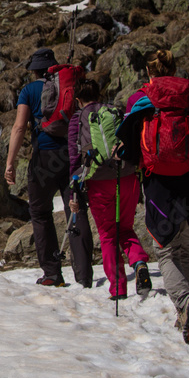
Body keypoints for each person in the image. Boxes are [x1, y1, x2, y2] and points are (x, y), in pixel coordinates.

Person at [116, 50, 189, 344]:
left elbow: (128, 143)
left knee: (166, 252)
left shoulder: (142, 100)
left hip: (159, 186)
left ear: (149, 73)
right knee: (183, 250)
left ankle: (184, 303)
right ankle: (187, 311)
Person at [5, 48, 93, 288]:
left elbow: (19, 127)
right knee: (76, 210)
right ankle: (84, 275)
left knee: (40, 213)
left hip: (43, 157)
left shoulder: (29, 90)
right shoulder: (72, 86)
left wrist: (10, 162)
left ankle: (52, 273)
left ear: (34, 71)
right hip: (72, 155)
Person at [68, 78, 151, 301]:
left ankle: (118, 288)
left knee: (107, 235)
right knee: (125, 228)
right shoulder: (115, 112)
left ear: (77, 100)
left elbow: (75, 159)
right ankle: (139, 262)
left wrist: (74, 192)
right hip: (126, 177)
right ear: (99, 94)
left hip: (98, 181)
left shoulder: (77, 119)